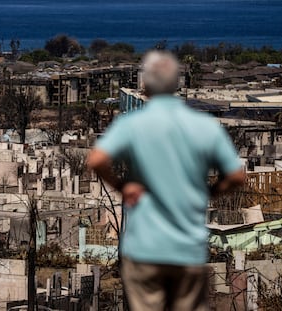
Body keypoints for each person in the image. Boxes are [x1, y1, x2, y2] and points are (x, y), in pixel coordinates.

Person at [87, 50, 245, 311]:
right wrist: (210, 192)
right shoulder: (203, 125)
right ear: (176, 85)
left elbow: (96, 159)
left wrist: (123, 186)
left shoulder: (133, 123)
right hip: (187, 250)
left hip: (144, 249)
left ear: (145, 85)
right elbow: (237, 175)